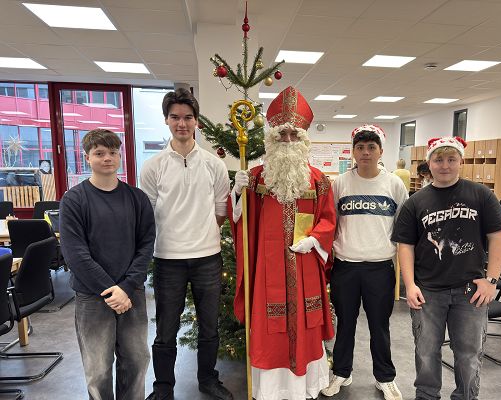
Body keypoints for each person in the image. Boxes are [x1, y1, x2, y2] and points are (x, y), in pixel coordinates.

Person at [231, 86, 336, 400]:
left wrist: (315, 240)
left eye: (294, 135)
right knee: (270, 327)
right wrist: (237, 193)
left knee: (305, 324)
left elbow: (329, 219)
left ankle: (304, 387)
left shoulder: (318, 180)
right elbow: (242, 221)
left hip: (305, 268)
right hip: (268, 271)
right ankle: (273, 390)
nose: (288, 141)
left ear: (303, 140)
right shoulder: (256, 178)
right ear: (272, 139)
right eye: (282, 135)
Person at [391, 137, 501, 400]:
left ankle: (466, 396)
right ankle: (426, 396)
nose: (445, 166)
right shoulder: (415, 202)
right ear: (429, 164)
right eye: (439, 160)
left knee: (468, 354)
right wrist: (409, 285)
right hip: (428, 291)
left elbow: (498, 237)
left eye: (451, 159)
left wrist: (492, 280)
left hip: (470, 292)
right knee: (426, 351)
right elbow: (405, 246)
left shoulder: (481, 195)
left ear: (461, 162)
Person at [140, 89, 232, 400]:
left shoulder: (213, 164)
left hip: (208, 258)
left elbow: (221, 210)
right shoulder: (153, 166)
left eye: (188, 117)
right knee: (166, 328)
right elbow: (148, 213)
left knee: (209, 326)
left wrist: (202, 234)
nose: (182, 123)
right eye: (175, 117)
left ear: (196, 122)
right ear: (167, 120)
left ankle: (208, 380)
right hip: (168, 259)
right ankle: (163, 387)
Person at [60, 129, 155, 400]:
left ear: (120, 155)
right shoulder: (74, 200)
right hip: (92, 297)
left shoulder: (137, 198)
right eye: (99, 153)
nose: (107, 158)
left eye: (113, 152)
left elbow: (146, 245)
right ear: (87, 157)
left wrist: (125, 288)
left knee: (136, 362)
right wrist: (111, 291)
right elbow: (75, 254)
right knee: (98, 369)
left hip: (131, 294)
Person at [321, 125, 407, 400]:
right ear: (353, 152)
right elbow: (330, 223)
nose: (366, 152)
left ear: (381, 151)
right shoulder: (340, 183)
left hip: (380, 268)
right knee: (345, 324)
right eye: (360, 147)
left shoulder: (394, 184)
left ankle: (385, 378)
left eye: (371, 147)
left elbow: (403, 227)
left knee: (379, 326)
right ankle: (341, 373)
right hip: (345, 266)